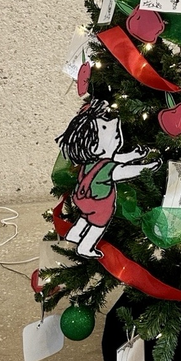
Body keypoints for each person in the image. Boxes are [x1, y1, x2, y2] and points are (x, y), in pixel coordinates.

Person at [56, 99, 161, 258]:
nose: (117, 138)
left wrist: (133, 155)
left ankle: (74, 235)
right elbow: (125, 171)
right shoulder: (108, 169)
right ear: (95, 145)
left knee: (85, 218)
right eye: (114, 135)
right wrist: (148, 167)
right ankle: (86, 246)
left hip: (82, 199)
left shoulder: (91, 161)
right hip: (100, 204)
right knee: (98, 225)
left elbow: (116, 157)